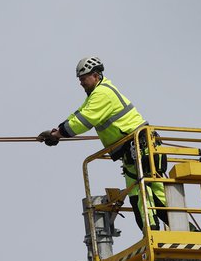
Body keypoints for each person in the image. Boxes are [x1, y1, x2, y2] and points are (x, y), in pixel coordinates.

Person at [37, 56, 168, 230]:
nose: (81, 83)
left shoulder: (102, 93)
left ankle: (161, 237)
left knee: (149, 197)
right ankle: (164, 235)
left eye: (83, 78)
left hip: (141, 149)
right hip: (133, 153)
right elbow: (79, 114)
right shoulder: (96, 94)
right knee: (141, 198)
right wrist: (58, 131)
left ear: (96, 75)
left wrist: (59, 134)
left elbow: (84, 120)